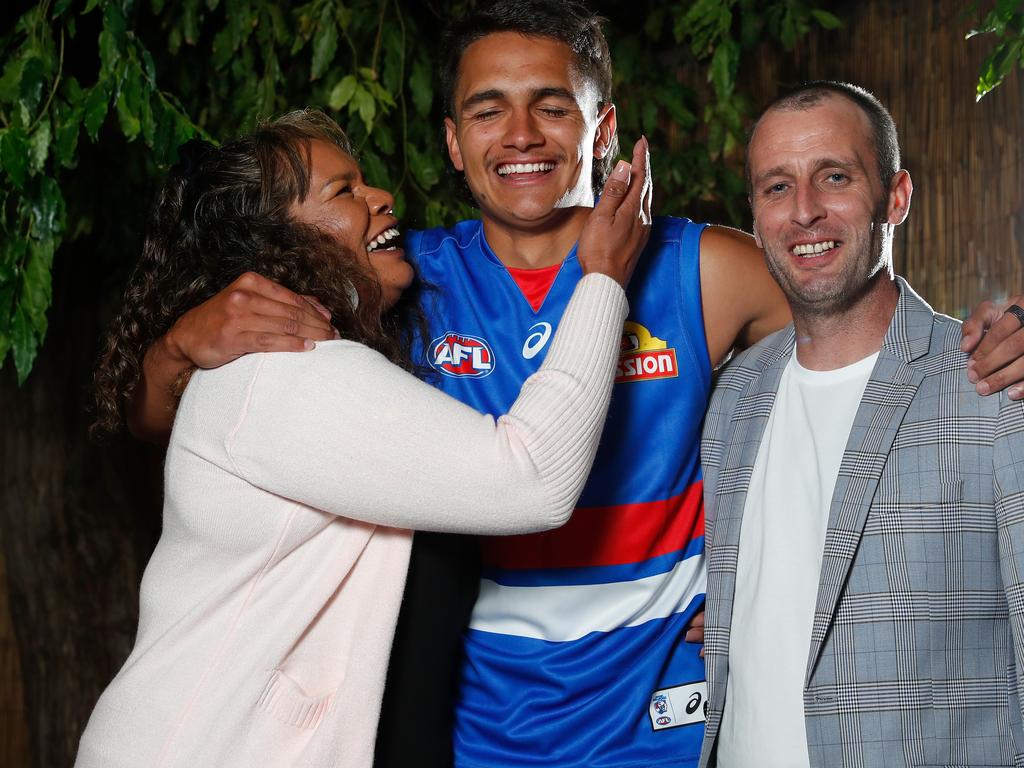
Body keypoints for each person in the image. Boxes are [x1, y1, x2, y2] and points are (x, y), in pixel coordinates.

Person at [125, 3, 1024, 766]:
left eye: (552, 107)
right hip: (473, 724)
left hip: (662, 723)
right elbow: (211, 436)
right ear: (450, 141)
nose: (520, 136)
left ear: (602, 128)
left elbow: (870, 343)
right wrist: (173, 348)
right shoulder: (396, 286)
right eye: (488, 111)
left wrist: (993, 334)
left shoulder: (700, 268)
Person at [76, 110, 653, 768]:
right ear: (272, 243)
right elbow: (534, 479)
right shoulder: (283, 367)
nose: (381, 196)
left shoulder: (355, 353)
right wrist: (603, 275)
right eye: (342, 192)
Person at [700, 81, 1024, 768]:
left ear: (896, 196)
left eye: (835, 177)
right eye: (777, 188)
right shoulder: (729, 400)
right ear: (754, 217)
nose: (805, 212)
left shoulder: (993, 385)